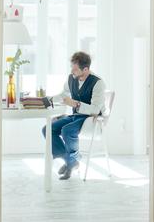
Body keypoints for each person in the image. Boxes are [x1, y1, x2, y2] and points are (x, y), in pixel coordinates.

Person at [42, 51, 106, 180]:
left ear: (86, 69)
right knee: (47, 129)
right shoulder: (71, 78)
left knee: (67, 130)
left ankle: (71, 162)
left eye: (75, 69)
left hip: (90, 119)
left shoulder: (98, 83)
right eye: (72, 67)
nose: (72, 71)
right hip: (76, 116)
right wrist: (48, 99)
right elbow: (64, 95)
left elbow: (95, 109)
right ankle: (70, 161)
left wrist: (76, 104)